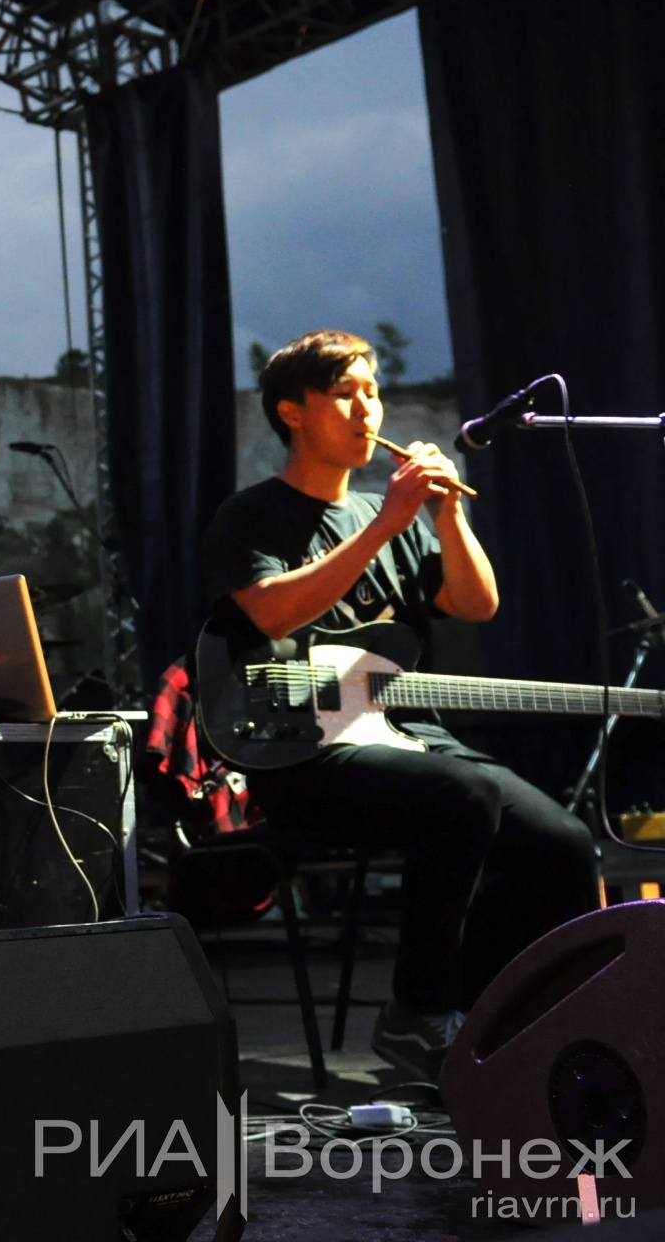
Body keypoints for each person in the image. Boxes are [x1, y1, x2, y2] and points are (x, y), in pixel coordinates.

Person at [204, 330, 597, 1078]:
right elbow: (266, 615)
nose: (367, 408)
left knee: (563, 844)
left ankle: (497, 1027)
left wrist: (443, 515)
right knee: (465, 795)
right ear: (293, 412)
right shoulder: (253, 517)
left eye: (373, 391)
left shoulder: (398, 518)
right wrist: (389, 519)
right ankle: (418, 1012)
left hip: (405, 736)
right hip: (300, 752)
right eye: (346, 393)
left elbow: (476, 604)